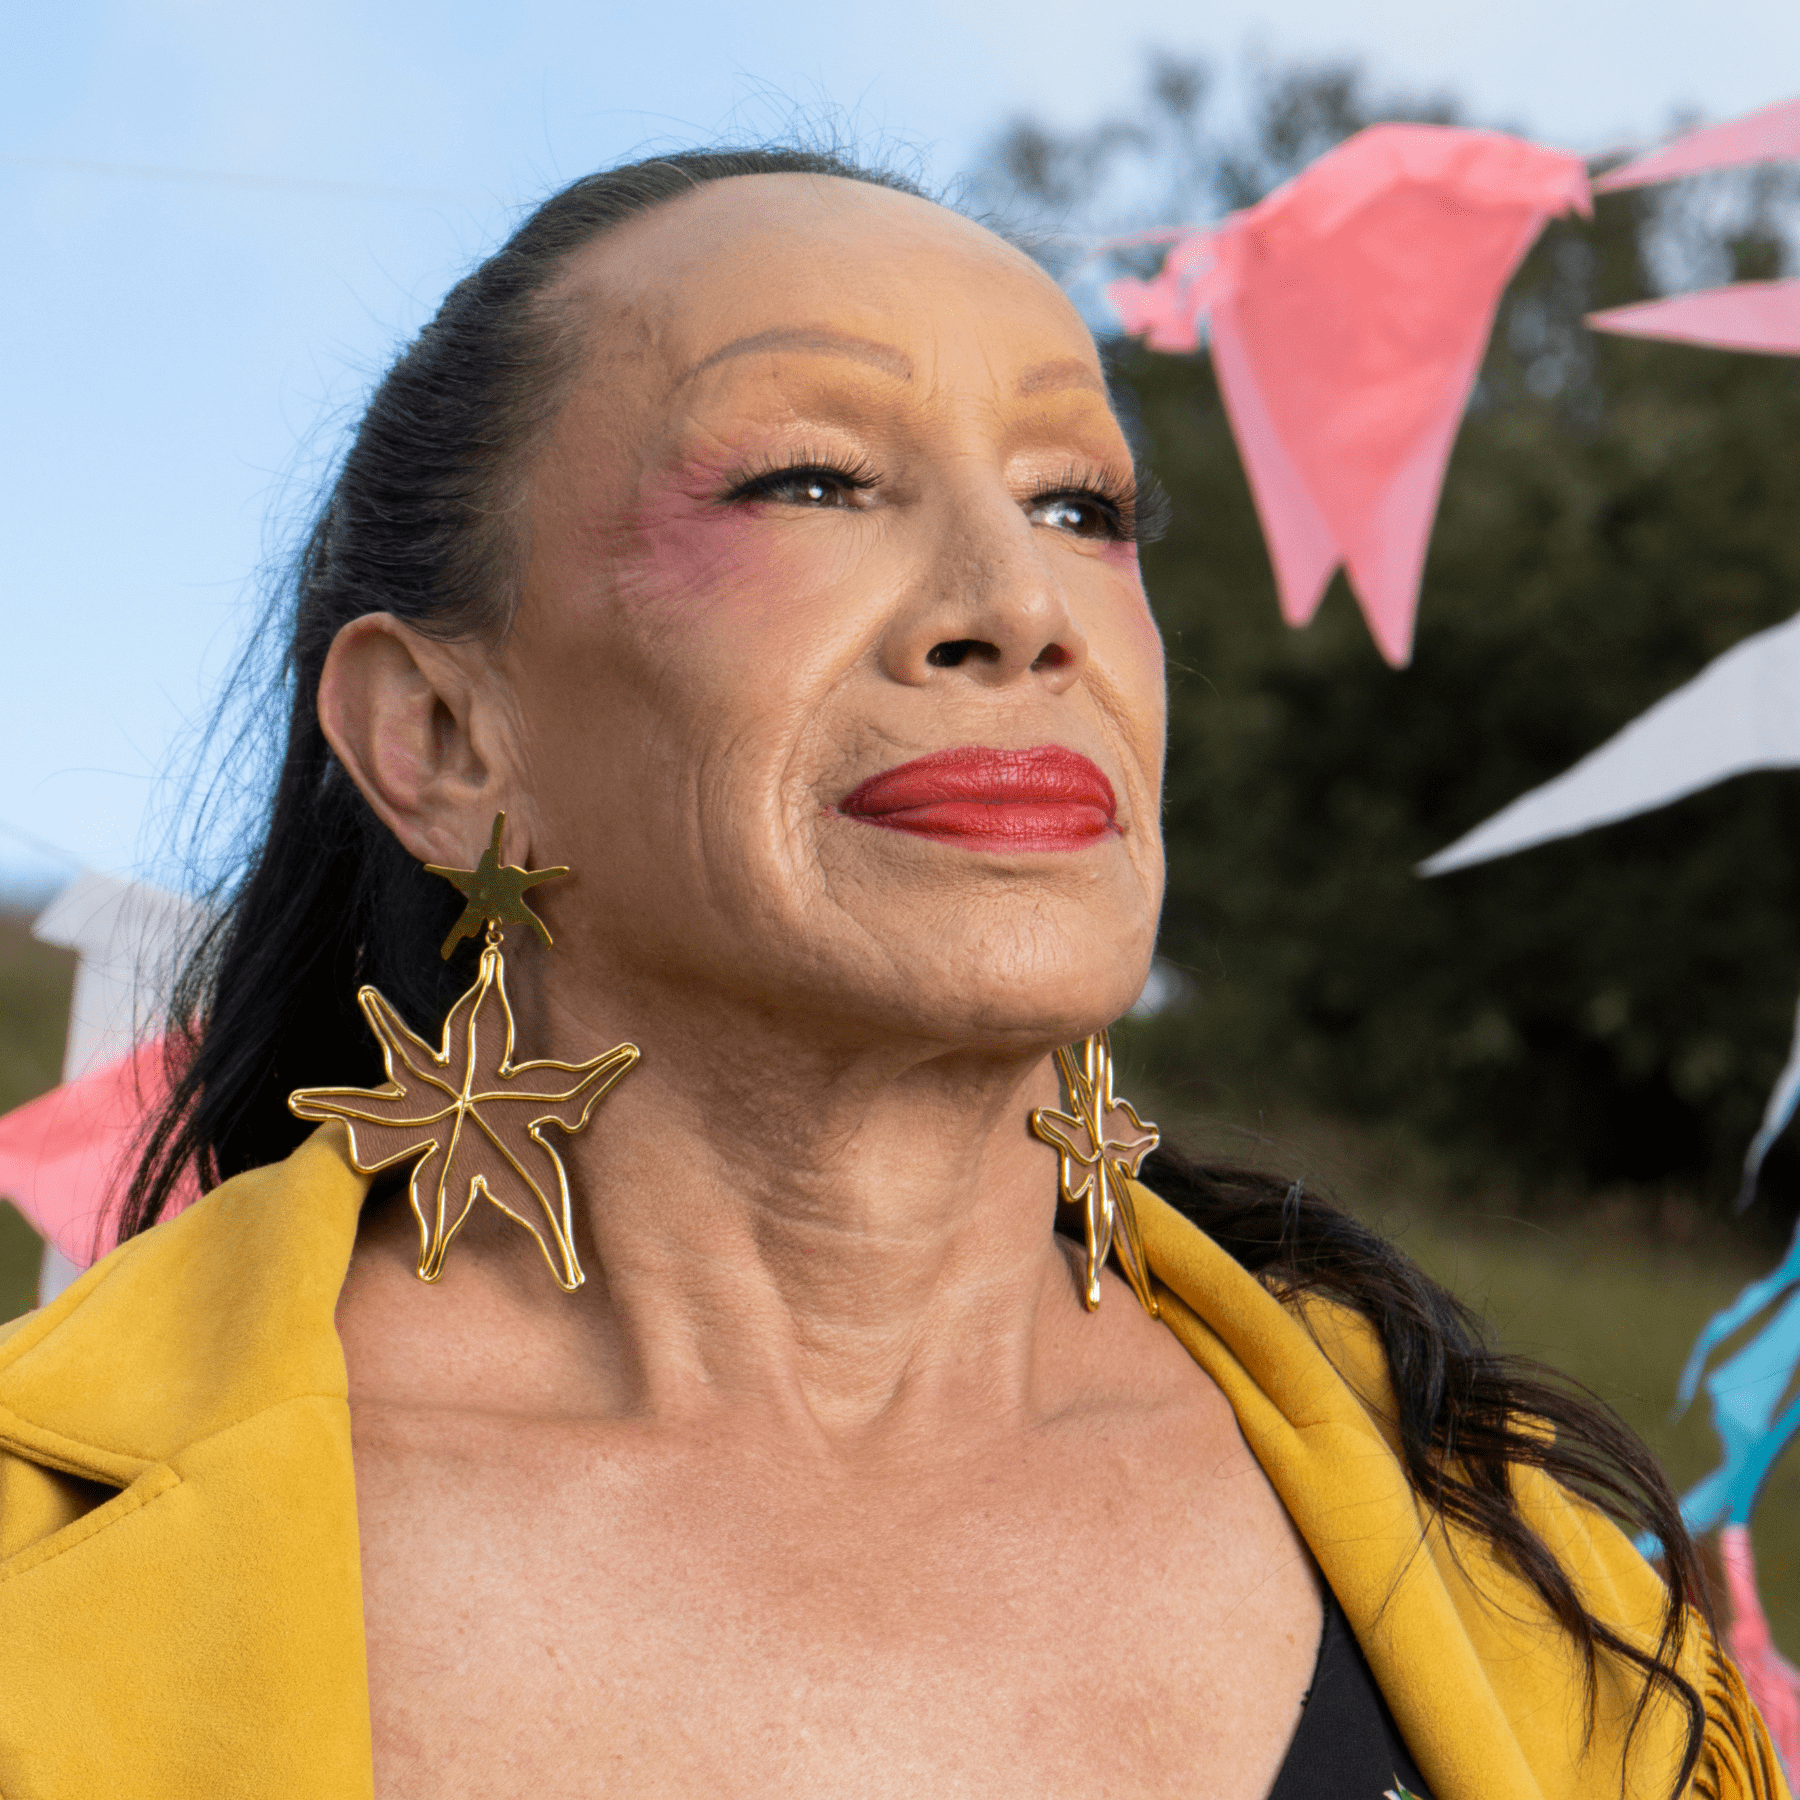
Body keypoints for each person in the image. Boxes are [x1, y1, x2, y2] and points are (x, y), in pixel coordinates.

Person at [0, 147, 1783, 1800]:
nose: (1021, 604)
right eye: (813, 479)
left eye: (1083, 504)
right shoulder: (39, 1554)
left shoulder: (1539, 1576)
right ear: (444, 733)